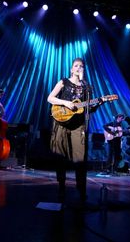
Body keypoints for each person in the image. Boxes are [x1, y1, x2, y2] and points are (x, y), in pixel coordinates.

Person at [47, 57, 103, 202]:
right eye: (76, 66)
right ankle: (61, 187)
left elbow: (88, 109)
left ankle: (81, 188)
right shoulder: (63, 82)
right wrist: (66, 102)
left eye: (81, 66)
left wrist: (99, 103)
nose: (79, 68)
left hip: (78, 125)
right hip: (61, 123)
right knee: (61, 157)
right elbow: (50, 98)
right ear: (72, 69)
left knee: (80, 157)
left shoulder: (87, 87)